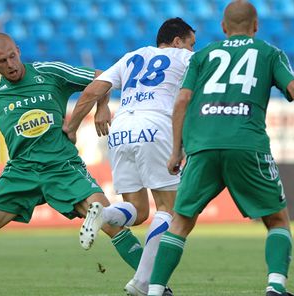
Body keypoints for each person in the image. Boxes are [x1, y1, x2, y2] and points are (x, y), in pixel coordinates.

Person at [0, 33, 141, 296]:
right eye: (2, 61)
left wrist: (102, 107)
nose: (10, 64)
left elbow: (103, 76)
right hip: (19, 173)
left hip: (62, 167)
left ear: (18, 51)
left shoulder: (50, 72)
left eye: (12, 56)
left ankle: (152, 284)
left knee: (109, 221)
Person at [146, 1, 294, 296]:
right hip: (246, 144)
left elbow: (181, 102)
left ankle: (154, 289)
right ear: (256, 26)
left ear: (224, 28)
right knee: (277, 219)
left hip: (202, 147)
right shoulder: (268, 53)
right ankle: (275, 287)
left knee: (181, 221)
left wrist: (176, 150)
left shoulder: (201, 56)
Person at [65, 18, 196, 296]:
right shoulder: (184, 57)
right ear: (177, 42)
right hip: (156, 126)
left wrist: (71, 127)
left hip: (121, 130)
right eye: (190, 43)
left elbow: (92, 90)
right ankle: (142, 282)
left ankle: (103, 216)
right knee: (168, 210)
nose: (192, 48)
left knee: (138, 211)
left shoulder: (131, 56)